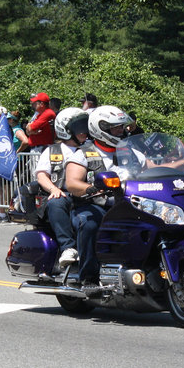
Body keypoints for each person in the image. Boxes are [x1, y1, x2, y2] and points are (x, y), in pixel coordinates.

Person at [64, 105, 130, 286]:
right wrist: (90, 188)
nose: (120, 131)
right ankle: (89, 278)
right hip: (92, 206)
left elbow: (152, 168)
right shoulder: (84, 153)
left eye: (121, 127)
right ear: (101, 129)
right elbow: (71, 182)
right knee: (90, 224)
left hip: (127, 205)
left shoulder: (129, 151)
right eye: (115, 128)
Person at [37, 107, 91, 268]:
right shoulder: (52, 151)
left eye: (85, 126)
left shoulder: (91, 149)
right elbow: (41, 175)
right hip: (63, 193)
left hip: (88, 194)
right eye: (79, 127)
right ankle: (68, 248)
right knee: (56, 202)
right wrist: (53, 189)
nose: (84, 131)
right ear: (66, 130)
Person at [0, 105, 31, 222]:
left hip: (1, 162)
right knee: (5, 187)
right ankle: (6, 210)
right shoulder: (6, 128)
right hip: (7, 162)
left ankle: (2, 213)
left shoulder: (4, 129)